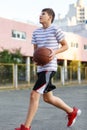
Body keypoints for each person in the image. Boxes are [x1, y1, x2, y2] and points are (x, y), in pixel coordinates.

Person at [15, 8, 81, 130]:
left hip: (49, 67)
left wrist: (54, 52)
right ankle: (72, 111)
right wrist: (36, 59)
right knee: (48, 98)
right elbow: (36, 50)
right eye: (40, 13)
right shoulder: (36, 33)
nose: (40, 15)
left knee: (34, 95)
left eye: (43, 14)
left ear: (50, 17)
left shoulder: (55, 29)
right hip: (41, 69)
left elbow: (65, 45)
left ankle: (26, 127)